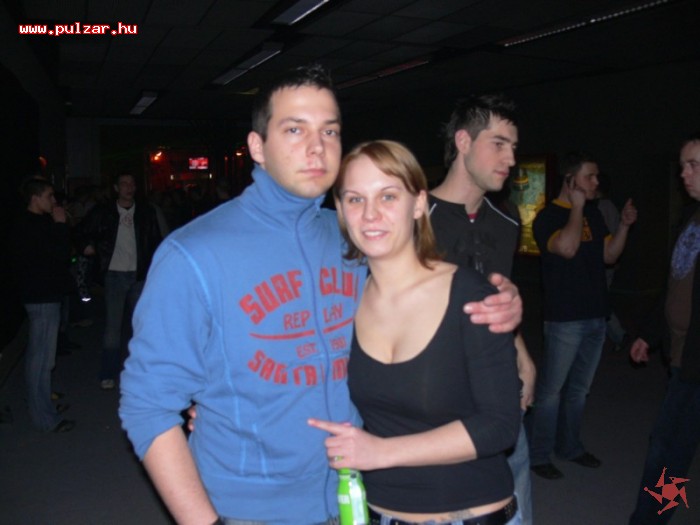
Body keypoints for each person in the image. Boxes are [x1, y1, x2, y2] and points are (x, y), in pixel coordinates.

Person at [119, 64, 523, 525]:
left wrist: (501, 299)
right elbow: (147, 405)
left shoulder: (351, 239)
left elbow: (426, 284)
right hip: (253, 512)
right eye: (295, 129)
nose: (317, 147)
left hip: (357, 498)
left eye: (329, 131)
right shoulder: (193, 254)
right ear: (257, 147)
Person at [309, 140, 521, 525]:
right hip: (378, 514)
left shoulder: (469, 295)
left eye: (388, 196)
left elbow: (500, 425)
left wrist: (381, 452)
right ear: (340, 210)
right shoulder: (343, 301)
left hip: (468, 515)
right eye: (355, 199)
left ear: (419, 203)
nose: (370, 214)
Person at [428, 94, 536, 524]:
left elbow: (498, 303)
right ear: (464, 142)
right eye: (499, 144)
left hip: (498, 388)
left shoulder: (506, 224)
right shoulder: (415, 219)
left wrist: (522, 354)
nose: (511, 159)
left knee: (515, 499)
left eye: (514, 147)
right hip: (437, 399)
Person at [527, 151, 637, 479]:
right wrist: (575, 208)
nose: (596, 182)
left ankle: (570, 447)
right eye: (589, 176)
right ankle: (538, 454)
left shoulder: (594, 213)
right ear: (570, 180)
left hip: (596, 315)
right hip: (565, 318)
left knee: (579, 390)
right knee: (551, 392)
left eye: (596, 176)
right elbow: (567, 248)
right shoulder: (547, 217)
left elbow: (609, 255)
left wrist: (624, 227)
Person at [628, 134, 700, 524]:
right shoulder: (691, 218)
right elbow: (674, 283)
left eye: (693, 165)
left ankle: (649, 519)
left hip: (696, 364)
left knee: (669, 447)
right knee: (673, 446)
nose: (683, 174)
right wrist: (648, 333)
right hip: (681, 354)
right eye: (683, 165)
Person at [75, 173, 161, 389]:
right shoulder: (104, 212)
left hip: (139, 276)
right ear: (116, 188)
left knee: (142, 326)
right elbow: (81, 231)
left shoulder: (145, 212)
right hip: (114, 275)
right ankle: (108, 373)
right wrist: (87, 246)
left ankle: (143, 373)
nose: (129, 187)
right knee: (113, 327)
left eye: (132, 183)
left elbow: (155, 240)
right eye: (124, 184)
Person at [9, 178, 76, 433]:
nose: (53, 201)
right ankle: (44, 418)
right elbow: (57, 255)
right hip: (40, 296)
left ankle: (44, 405)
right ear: (35, 198)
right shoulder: (28, 225)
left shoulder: (36, 223)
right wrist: (60, 225)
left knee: (43, 357)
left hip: (44, 294)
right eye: (49, 196)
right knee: (41, 359)